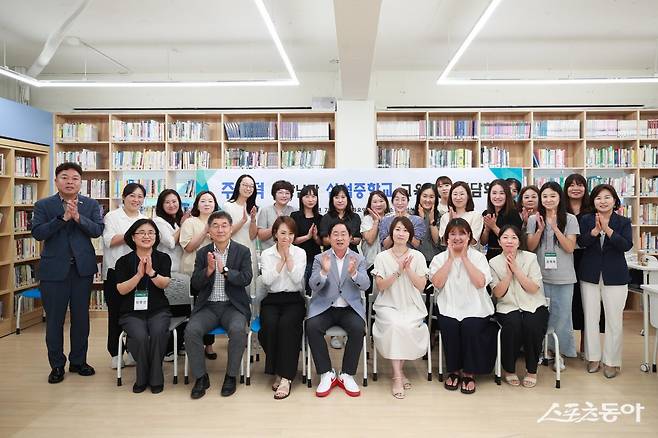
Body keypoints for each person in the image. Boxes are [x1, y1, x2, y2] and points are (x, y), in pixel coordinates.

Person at [31, 162, 104, 384]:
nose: (70, 181)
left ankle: (79, 361)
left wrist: (79, 218)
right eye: (65, 177)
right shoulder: (44, 205)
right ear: (56, 181)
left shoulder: (90, 204)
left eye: (74, 178)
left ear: (81, 182)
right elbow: (37, 233)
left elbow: (97, 230)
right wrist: (62, 218)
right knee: (54, 320)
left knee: (81, 319)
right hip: (54, 271)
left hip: (82, 270)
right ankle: (56, 365)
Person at [185, 211, 253, 399]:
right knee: (191, 331)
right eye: (215, 225)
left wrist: (225, 271)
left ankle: (231, 376)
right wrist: (208, 270)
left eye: (224, 225)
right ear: (209, 231)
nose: (220, 229)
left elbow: (246, 279)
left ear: (231, 229)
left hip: (233, 306)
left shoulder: (242, 251)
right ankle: (201, 377)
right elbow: (195, 284)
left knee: (239, 330)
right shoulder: (202, 253)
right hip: (208, 306)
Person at [429, 218, 496, 395]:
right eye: (453, 234)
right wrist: (450, 259)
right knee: (450, 326)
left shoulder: (479, 257)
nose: (457, 237)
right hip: (448, 306)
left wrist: (465, 257)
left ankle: (469, 372)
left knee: (470, 326)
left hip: (476, 307)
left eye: (462, 233)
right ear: (446, 238)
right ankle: (454, 371)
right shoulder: (439, 258)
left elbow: (481, 283)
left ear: (469, 237)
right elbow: (437, 282)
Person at [306, 222, 370, 397]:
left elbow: (366, 285)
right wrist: (324, 273)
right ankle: (326, 373)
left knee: (358, 328)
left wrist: (354, 273)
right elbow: (313, 285)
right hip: (325, 307)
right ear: (329, 237)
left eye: (343, 234)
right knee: (311, 326)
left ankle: (347, 374)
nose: (340, 238)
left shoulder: (359, 259)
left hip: (349, 308)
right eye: (335, 234)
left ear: (350, 237)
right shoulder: (321, 258)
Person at [578, 184, 633, 378]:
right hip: (590, 275)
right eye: (598, 198)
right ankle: (593, 358)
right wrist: (594, 231)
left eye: (607, 197)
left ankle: (612, 361)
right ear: (593, 201)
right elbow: (581, 243)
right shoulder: (585, 220)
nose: (602, 201)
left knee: (613, 320)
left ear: (615, 200)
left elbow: (626, 245)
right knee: (591, 318)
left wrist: (607, 229)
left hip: (616, 277)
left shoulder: (623, 222)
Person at [372, 217, 429, 399]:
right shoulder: (381, 257)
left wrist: (408, 269)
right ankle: (397, 376)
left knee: (406, 326)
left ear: (410, 235)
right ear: (391, 232)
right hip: (388, 304)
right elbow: (381, 286)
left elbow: (421, 286)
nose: (401, 233)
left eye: (405, 230)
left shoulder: (418, 256)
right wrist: (398, 271)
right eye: (397, 229)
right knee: (396, 325)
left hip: (411, 304)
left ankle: (400, 371)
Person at [526, 181, 579, 370]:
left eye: (553, 196)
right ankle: (543, 351)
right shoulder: (534, 219)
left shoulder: (570, 219)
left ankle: (560, 353)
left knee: (562, 317)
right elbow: (531, 247)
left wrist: (555, 228)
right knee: (542, 316)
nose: (548, 200)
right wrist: (541, 229)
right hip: (539, 276)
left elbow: (570, 248)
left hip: (564, 277)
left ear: (560, 198)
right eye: (545, 196)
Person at [115, 219, 172, 394]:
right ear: (133, 237)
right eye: (141, 232)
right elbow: (121, 290)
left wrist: (151, 273)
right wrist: (139, 275)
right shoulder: (123, 261)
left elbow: (164, 284)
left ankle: (155, 378)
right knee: (139, 336)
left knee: (157, 333)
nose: (146, 236)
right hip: (131, 312)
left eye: (151, 232)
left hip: (158, 310)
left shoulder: (163, 258)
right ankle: (142, 377)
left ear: (156, 236)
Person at [490, 225, 548, 388]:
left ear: (519, 241)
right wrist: (508, 275)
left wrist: (516, 270)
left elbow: (533, 288)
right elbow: (498, 293)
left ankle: (531, 370)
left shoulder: (530, 258)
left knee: (532, 325)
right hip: (508, 306)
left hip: (534, 304)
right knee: (513, 325)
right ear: (499, 241)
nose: (509, 241)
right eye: (505, 237)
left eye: (514, 237)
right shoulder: (493, 262)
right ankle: (509, 369)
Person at [259, 216, 307, 399]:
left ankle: (286, 377)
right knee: (269, 325)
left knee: (287, 325)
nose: (287, 237)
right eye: (283, 233)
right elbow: (267, 281)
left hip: (293, 299)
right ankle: (278, 369)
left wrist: (289, 259)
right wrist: (281, 262)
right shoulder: (267, 254)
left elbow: (297, 280)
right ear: (275, 234)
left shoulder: (300, 253)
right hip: (272, 298)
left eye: (291, 234)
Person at [102, 182, 146, 369]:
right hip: (115, 273)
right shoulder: (112, 217)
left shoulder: (144, 218)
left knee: (137, 313)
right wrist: (133, 233)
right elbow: (110, 241)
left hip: (139, 272)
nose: (136, 200)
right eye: (132, 196)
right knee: (116, 314)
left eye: (140, 197)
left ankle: (134, 351)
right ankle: (116, 352)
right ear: (124, 198)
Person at [565, 173, 604, 357]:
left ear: (585, 188)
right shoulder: (561, 209)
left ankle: (586, 345)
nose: (575, 188)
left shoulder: (591, 210)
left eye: (579, 184)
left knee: (586, 302)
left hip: (586, 258)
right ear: (566, 188)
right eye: (571, 185)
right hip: (566, 258)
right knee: (569, 302)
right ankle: (567, 344)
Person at [179, 190, 220, 360]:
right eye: (203, 201)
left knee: (210, 308)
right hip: (192, 272)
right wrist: (205, 232)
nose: (207, 204)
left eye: (210, 201)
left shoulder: (218, 222)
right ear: (197, 204)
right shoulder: (190, 222)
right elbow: (188, 247)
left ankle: (209, 345)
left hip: (213, 270)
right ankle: (192, 344)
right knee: (194, 310)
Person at [153, 189, 189, 360]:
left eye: (174, 201)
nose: (172, 205)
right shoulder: (159, 221)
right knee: (170, 311)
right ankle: (168, 349)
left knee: (183, 309)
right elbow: (169, 242)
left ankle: (178, 344)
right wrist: (183, 225)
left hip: (180, 272)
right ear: (161, 205)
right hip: (167, 272)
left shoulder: (175, 222)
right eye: (167, 202)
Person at [222, 174, 259, 299]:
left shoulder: (253, 208)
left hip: (249, 249)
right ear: (238, 186)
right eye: (245, 185)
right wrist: (243, 220)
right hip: (233, 250)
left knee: (249, 284)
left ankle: (250, 314)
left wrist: (252, 219)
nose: (248, 188)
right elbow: (226, 232)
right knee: (233, 283)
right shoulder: (228, 206)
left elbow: (253, 235)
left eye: (251, 186)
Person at [291, 185, 323, 294]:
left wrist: (315, 237)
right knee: (299, 289)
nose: (311, 200)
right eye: (307, 196)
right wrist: (307, 237)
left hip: (315, 259)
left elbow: (321, 242)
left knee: (313, 290)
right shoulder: (295, 216)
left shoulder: (320, 218)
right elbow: (292, 240)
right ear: (301, 198)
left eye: (314, 196)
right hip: (297, 259)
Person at [480, 179, 522, 260]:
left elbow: (512, 239)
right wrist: (487, 230)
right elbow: (483, 242)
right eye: (494, 193)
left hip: (508, 255)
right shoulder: (486, 213)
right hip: (490, 255)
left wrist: (493, 226)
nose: (497, 197)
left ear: (507, 195)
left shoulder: (513, 213)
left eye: (501, 193)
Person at [319, 184, 362, 252]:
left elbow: (358, 240)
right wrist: (342, 241)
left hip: (351, 256)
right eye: (336, 197)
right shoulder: (326, 218)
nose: (340, 200)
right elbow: (324, 241)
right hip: (331, 256)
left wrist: (345, 240)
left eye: (343, 197)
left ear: (347, 199)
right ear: (332, 200)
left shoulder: (355, 217)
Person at [257, 180, 296, 251]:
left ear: (291, 196)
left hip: (290, 253)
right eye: (280, 192)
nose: (284, 196)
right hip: (269, 254)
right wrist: (277, 224)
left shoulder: (294, 211)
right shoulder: (265, 210)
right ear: (274, 194)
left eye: (287, 193)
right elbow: (261, 236)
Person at [413, 183, 442, 264]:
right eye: (424, 196)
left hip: (435, 260)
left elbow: (437, 241)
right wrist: (421, 220)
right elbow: (414, 241)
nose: (428, 200)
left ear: (436, 199)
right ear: (419, 197)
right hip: (415, 261)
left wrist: (432, 220)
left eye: (431, 197)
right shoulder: (411, 215)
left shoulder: (440, 216)